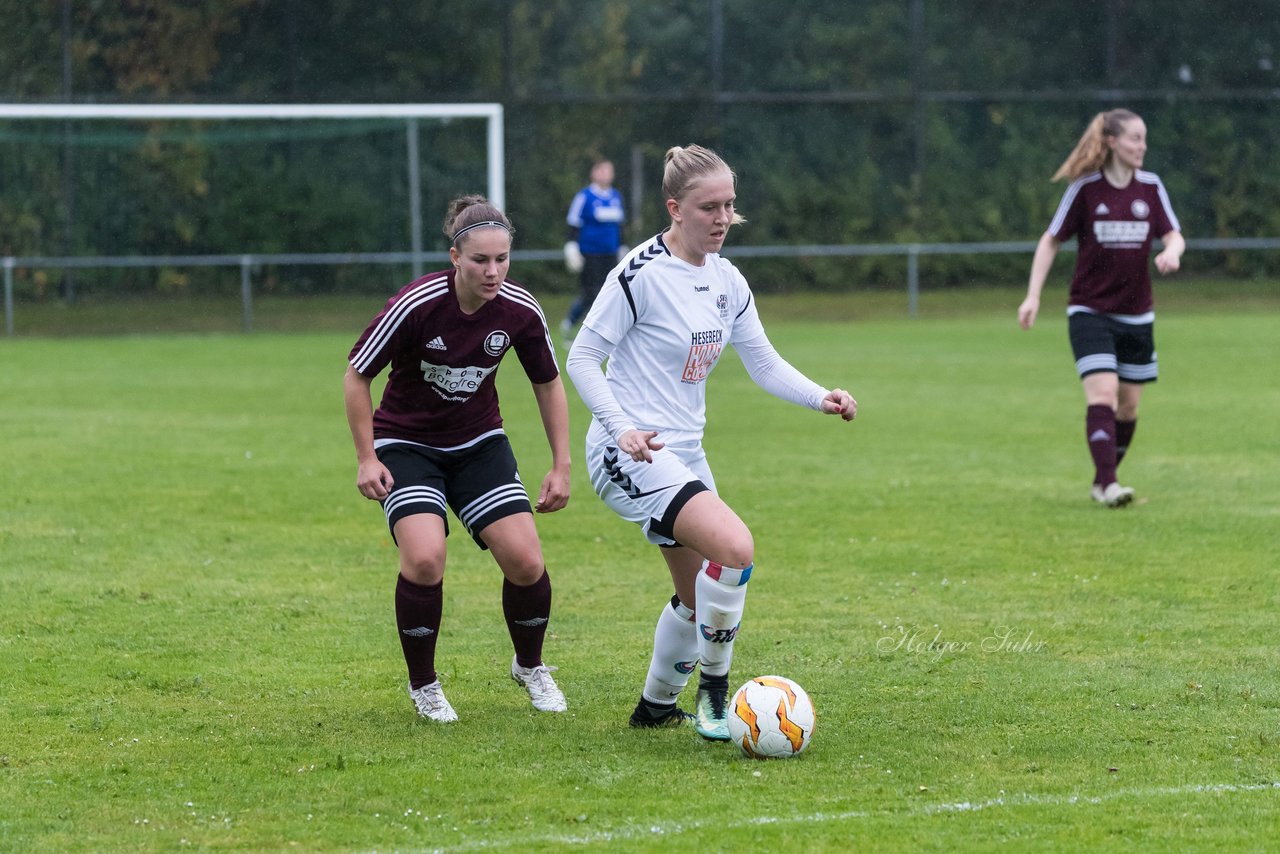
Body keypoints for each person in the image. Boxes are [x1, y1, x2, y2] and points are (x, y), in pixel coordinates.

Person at [565, 144, 857, 740]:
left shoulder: (727, 279)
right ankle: (716, 696)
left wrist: (818, 395)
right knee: (735, 548)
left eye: (729, 206)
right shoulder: (638, 274)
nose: (723, 219)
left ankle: (653, 709)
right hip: (629, 449)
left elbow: (763, 361)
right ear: (675, 208)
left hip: (684, 456)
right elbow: (583, 356)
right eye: (708, 207)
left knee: (698, 597)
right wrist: (621, 425)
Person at [343, 195, 572, 722]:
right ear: (455, 258)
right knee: (424, 559)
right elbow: (357, 374)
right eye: (480, 261)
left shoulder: (519, 309)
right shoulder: (417, 304)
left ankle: (531, 667)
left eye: (502, 259)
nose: (493, 271)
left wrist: (560, 465)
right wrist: (365, 457)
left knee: (526, 560)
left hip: (478, 443)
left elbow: (548, 382)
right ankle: (424, 684)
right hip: (407, 444)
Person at [1018, 108, 1185, 508]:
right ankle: (1110, 486)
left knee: (1128, 406)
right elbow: (1050, 240)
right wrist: (1033, 295)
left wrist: (1172, 253)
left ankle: (1101, 479)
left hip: (1137, 315)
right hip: (1089, 312)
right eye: (1134, 138)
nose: (1141, 146)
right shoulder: (1085, 189)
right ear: (1112, 142)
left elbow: (1174, 234)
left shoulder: (1150, 187)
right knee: (1104, 393)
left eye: (1144, 139)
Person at [561, 158, 626, 340]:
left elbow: (620, 226)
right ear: (594, 173)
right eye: (602, 170)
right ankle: (570, 324)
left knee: (612, 292)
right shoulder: (585, 197)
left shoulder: (616, 197)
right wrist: (571, 246)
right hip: (589, 253)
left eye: (609, 170)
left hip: (611, 253)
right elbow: (574, 223)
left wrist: (622, 246)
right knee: (590, 293)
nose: (606, 174)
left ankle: (606, 333)